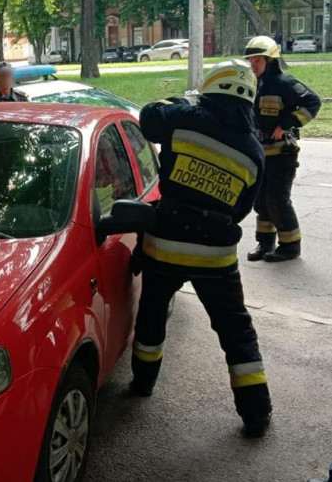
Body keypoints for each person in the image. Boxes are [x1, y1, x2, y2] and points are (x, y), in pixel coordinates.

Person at [130, 60, 272, 437]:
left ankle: (143, 383)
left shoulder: (185, 119)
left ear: (210, 89)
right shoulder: (253, 150)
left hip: (165, 245)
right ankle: (256, 414)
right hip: (216, 256)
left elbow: (148, 117)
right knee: (236, 331)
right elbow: (242, 209)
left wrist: (181, 101)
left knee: (153, 315)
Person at [244, 36, 321, 262]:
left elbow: (313, 102)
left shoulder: (285, 84)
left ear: (270, 61)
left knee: (277, 200)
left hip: (280, 153)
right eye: (251, 61)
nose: (253, 66)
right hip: (259, 153)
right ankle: (265, 243)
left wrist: (288, 122)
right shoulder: (251, 85)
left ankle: (290, 246)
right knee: (261, 201)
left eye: (258, 61)